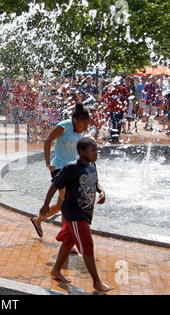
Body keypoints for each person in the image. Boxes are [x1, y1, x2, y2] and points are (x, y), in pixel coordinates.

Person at [46, 137, 112, 293]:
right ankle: (96, 282)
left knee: (68, 242)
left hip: (84, 212)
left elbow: (95, 182)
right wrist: (44, 205)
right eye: (93, 150)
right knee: (87, 246)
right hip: (73, 212)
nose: (96, 153)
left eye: (97, 150)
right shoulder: (71, 168)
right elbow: (55, 184)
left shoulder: (92, 165)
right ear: (82, 152)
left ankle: (55, 271)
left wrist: (101, 192)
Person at [30, 102, 90, 238]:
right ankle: (67, 239)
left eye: (87, 125)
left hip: (71, 169)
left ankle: (37, 220)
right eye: (84, 124)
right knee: (69, 203)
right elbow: (48, 140)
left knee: (59, 205)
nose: (85, 127)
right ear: (76, 120)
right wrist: (47, 163)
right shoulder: (65, 125)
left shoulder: (78, 132)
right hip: (59, 168)